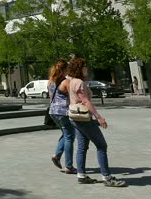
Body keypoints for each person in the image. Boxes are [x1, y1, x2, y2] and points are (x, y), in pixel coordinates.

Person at [68, 58, 126, 187]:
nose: (86, 68)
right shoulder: (79, 83)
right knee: (101, 146)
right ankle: (107, 178)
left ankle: (81, 175)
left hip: (75, 118)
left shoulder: (72, 81)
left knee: (82, 147)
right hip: (84, 118)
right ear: (79, 68)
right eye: (84, 66)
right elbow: (86, 102)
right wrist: (99, 117)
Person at [48, 59, 76, 174]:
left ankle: (57, 155)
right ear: (64, 70)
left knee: (66, 134)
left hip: (53, 111)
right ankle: (68, 166)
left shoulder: (50, 81)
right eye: (68, 69)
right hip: (63, 112)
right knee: (70, 136)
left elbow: (50, 96)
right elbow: (73, 97)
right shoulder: (66, 82)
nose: (69, 71)